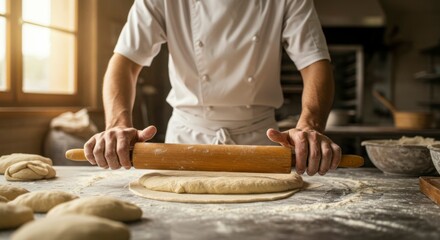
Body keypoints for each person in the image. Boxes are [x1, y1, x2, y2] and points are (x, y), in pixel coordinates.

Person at [84, 0, 341, 176]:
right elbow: (125, 62)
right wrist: (117, 124)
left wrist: (309, 126)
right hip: (186, 140)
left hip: (260, 141)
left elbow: (314, 62)